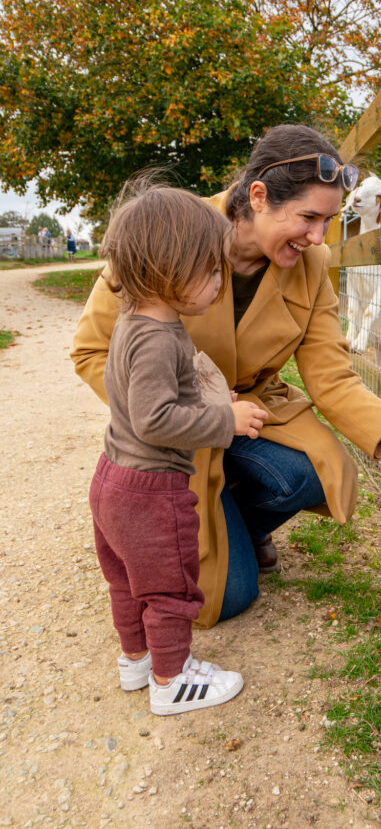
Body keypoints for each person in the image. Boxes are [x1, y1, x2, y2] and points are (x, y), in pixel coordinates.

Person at [72, 124, 381, 633]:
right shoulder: (168, 230)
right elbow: (91, 351)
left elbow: (334, 380)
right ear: (258, 197)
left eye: (330, 221)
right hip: (178, 433)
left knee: (313, 470)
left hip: (252, 413)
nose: (319, 238)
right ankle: (210, 529)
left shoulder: (313, 263)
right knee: (230, 598)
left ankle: (239, 524)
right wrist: (175, 409)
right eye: (309, 218)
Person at [87, 181, 268, 715]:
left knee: (126, 580)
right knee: (169, 588)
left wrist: (208, 395)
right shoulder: (160, 337)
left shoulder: (133, 323)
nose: (219, 283)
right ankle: (171, 680)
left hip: (111, 478)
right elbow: (155, 417)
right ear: (169, 269)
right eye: (211, 271)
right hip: (151, 489)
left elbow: (147, 396)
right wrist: (226, 419)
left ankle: (136, 661)